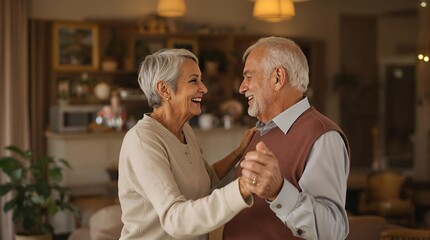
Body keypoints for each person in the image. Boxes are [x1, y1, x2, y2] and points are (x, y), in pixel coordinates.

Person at [117, 48, 256, 239]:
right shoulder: (143, 140)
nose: (204, 88)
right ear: (164, 89)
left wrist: (239, 152)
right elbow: (175, 219)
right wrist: (242, 188)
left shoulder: (185, 130)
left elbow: (205, 179)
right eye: (194, 80)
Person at [223, 36, 351, 240]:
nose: (242, 87)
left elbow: (333, 232)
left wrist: (279, 192)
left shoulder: (323, 136)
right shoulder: (260, 132)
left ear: (277, 78)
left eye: (249, 77)